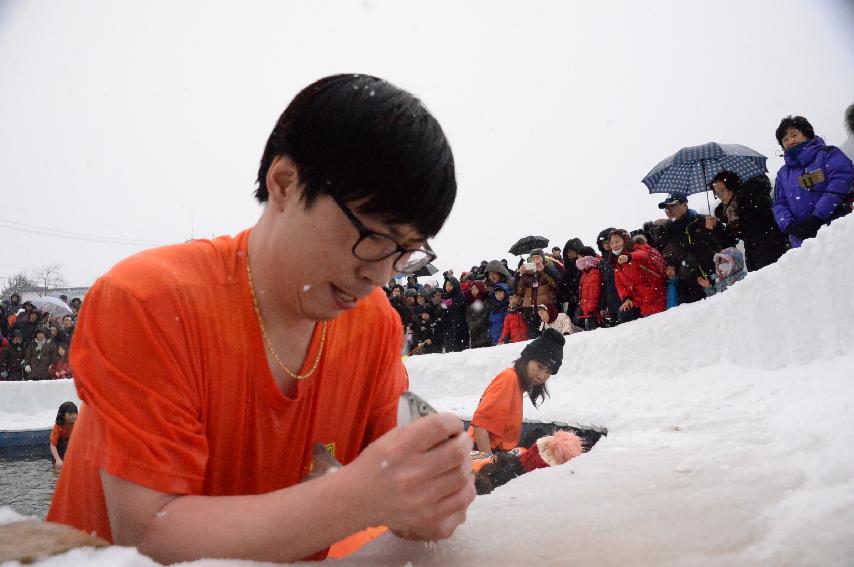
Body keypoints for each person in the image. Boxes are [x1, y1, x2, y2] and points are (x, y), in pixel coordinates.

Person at [48, 74, 474, 563]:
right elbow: (151, 535)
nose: (378, 273)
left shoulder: (373, 325)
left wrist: (433, 491)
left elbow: (402, 476)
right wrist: (360, 496)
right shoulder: (149, 302)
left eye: (405, 251)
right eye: (372, 236)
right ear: (285, 183)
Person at [468, 328, 564, 455]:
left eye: (548, 372)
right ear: (527, 359)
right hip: (477, 454)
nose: (542, 376)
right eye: (540, 367)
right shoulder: (509, 379)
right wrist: (489, 466)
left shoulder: (518, 385)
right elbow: (480, 427)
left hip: (497, 453)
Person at [772, 115, 854, 248]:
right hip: (803, 243)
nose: (790, 141)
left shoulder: (828, 154)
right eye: (785, 139)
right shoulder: (783, 174)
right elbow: (779, 204)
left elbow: (839, 184)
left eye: (794, 135)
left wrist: (817, 217)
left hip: (836, 231)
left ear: (807, 134)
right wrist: (790, 226)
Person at [708, 170, 789, 271]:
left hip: (773, 251)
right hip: (754, 257)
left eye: (722, 191)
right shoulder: (730, 213)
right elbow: (729, 241)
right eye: (717, 194)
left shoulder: (753, 200)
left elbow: (757, 228)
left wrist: (741, 218)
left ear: (732, 186)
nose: (720, 196)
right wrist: (716, 228)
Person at [658, 194, 732, 304]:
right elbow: (665, 255)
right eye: (666, 208)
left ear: (685, 205)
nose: (668, 210)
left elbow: (729, 241)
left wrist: (716, 227)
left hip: (717, 273)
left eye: (672, 205)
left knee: (729, 303)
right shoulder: (667, 230)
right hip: (693, 281)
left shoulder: (702, 220)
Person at [609, 229, 666, 323]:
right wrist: (627, 298)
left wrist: (629, 257)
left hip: (653, 295)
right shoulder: (615, 262)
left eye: (617, 241)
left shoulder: (637, 249)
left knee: (657, 322)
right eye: (612, 243)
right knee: (623, 314)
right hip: (638, 299)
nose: (614, 245)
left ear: (625, 240)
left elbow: (643, 255)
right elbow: (619, 285)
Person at [515, 249, 558, 338]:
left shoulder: (549, 270)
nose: (535, 260)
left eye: (538, 258)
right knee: (532, 337)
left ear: (542, 259)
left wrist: (544, 271)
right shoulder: (526, 275)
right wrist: (520, 275)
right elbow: (519, 292)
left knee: (546, 336)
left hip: (544, 309)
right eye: (533, 258)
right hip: (529, 311)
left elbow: (555, 286)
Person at [595, 228, 621, 325]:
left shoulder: (620, 256)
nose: (605, 245)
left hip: (623, 298)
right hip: (612, 302)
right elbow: (604, 285)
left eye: (607, 242)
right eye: (603, 243)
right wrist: (602, 306)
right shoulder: (603, 261)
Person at [441, 275, 468, 352]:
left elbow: (459, 310)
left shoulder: (460, 296)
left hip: (459, 329)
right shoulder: (444, 298)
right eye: (446, 285)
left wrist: (450, 305)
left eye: (450, 285)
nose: (448, 287)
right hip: (449, 331)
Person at [575, 253, 602, 330]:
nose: (579, 261)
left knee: (593, 329)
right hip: (586, 308)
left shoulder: (594, 272)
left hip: (592, 310)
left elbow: (593, 293)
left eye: (580, 258)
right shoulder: (585, 273)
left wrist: (590, 309)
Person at [50, 401, 79, 472]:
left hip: (71, 444)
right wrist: (58, 460)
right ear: (63, 415)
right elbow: (52, 445)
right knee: (58, 468)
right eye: (70, 414)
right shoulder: (58, 426)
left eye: (75, 413)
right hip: (59, 446)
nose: (74, 416)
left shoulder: (78, 423)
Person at [465, 280, 491, 349]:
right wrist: (471, 325)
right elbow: (468, 317)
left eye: (475, 289)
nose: (473, 291)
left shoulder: (485, 300)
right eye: (472, 289)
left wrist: (474, 325)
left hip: (484, 335)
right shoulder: (471, 302)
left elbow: (484, 317)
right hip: (474, 336)